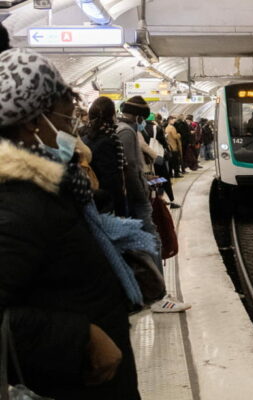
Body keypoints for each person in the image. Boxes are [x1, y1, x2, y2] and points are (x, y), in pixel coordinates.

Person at [0, 47, 140, 399]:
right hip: (68, 381)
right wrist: (81, 338)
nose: (72, 133)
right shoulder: (18, 202)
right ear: (33, 121)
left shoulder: (50, 188)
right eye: (65, 121)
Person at [118, 97, 190, 313]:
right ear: (139, 116)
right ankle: (159, 296)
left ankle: (145, 291)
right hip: (137, 199)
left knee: (140, 244)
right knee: (153, 242)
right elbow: (130, 168)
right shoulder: (128, 132)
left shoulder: (121, 129)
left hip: (131, 198)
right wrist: (143, 192)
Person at [82, 97, 128, 215]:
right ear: (112, 116)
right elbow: (111, 179)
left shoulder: (84, 137)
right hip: (106, 203)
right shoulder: (109, 140)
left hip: (91, 196)